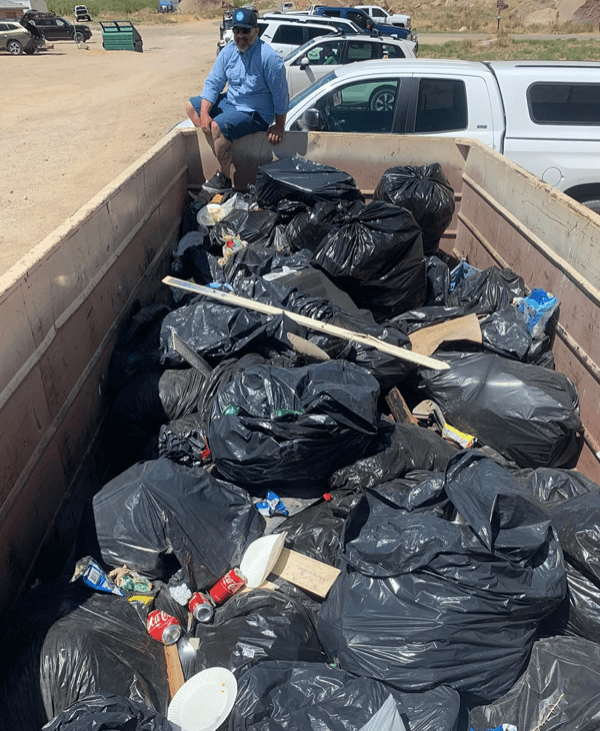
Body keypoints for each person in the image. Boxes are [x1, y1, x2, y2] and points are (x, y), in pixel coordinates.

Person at [186, 7, 289, 193]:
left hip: (255, 112)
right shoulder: (228, 52)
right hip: (232, 104)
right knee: (192, 107)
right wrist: (204, 113)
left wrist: (279, 126)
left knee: (217, 126)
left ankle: (224, 177)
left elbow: (280, 94)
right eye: (236, 31)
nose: (240, 36)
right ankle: (224, 149)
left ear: (256, 31)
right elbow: (213, 82)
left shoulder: (269, 58)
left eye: (245, 31)